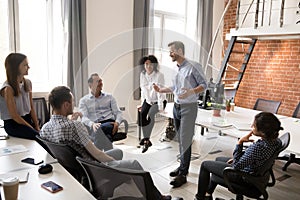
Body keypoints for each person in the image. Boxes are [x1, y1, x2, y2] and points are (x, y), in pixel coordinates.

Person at [40, 86, 173, 200]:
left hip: (77, 168)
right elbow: (97, 154)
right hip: (94, 169)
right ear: (66, 105)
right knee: (134, 164)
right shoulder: (75, 126)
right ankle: (158, 198)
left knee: (118, 152)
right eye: (72, 101)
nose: (73, 104)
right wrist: (111, 163)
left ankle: (120, 183)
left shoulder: (45, 128)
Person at [153, 41, 207, 188]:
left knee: (185, 139)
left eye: (171, 51)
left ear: (180, 51)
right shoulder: (176, 68)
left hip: (189, 107)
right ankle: (182, 167)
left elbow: (204, 85)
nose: (170, 54)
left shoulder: (194, 66)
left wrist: (191, 92)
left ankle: (183, 173)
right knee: (181, 140)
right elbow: (175, 87)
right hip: (177, 107)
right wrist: (160, 90)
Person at [194, 112, 283, 200]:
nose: (251, 126)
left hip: (245, 178)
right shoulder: (276, 142)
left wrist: (240, 142)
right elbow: (253, 157)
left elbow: (236, 166)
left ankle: (200, 197)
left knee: (205, 165)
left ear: (263, 132)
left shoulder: (258, 148)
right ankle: (208, 194)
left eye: (254, 126)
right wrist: (239, 157)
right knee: (218, 159)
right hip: (256, 175)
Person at [79, 73, 126, 150]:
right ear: (90, 85)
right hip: (95, 125)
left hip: (109, 123)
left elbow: (118, 112)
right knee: (106, 136)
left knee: (99, 130)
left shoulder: (109, 97)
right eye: (97, 81)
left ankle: (95, 157)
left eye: (101, 81)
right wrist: (92, 124)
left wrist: (117, 123)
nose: (100, 83)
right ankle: (110, 157)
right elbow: (83, 117)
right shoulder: (84, 101)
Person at [0, 53, 40, 139]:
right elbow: (14, 116)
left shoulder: (28, 83)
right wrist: (31, 128)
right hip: (13, 124)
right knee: (38, 137)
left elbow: (31, 107)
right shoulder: (8, 89)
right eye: (25, 65)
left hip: (26, 120)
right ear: (16, 67)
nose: (28, 67)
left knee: (42, 135)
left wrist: (37, 126)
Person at [138, 55, 166, 153]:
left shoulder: (159, 75)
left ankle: (146, 140)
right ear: (144, 65)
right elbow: (143, 91)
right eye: (146, 64)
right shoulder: (142, 75)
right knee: (142, 115)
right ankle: (146, 139)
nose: (148, 66)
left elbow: (160, 91)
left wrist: (161, 106)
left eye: (151, 64)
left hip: (159, 100)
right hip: (148, 101)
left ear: (154, 65)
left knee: (150, 115)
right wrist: (142, 104)